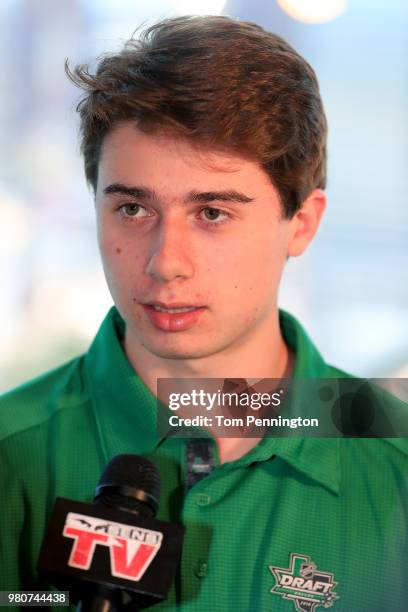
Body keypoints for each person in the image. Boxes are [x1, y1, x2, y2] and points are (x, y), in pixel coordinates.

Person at [0, 15, 407, 612]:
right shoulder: (10, 451)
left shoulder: (394, 464)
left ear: (303, 223)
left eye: (212, 212)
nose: (166, 263)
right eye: (133, 209)